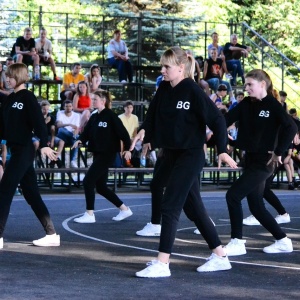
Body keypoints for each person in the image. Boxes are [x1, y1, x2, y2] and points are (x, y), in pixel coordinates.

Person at [130, 46, 237, 277]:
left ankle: (163, 263)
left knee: (169, 205)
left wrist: (221, 150)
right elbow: (152, 115)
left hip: (190, 154)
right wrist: (143, 132)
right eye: (162, 66)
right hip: (171, 153)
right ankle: (220, 255)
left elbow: (217, 119)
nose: (162, 70)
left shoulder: (193, 90)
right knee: (194, 209)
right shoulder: (164, 88)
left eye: (166, 67)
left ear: (181, 67)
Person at [224, 69, 297, 256]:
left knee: (233, 196)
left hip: (265, 161)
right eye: (246, 84)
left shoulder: (273, 105)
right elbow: (225, 120)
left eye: (250, 85)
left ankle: (237, 241)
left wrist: (279, 151)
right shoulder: (246, 104)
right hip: (250, 159)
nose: (246, 88)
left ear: (262, 84)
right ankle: (283, 240)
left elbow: (291, 127)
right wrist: (221, 135)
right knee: (256, 206)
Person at [0, 63, 60, 249]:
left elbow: (39, 123)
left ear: (20, 76)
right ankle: (51, 234)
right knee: (31, 194)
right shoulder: (10, 99)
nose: (7, 79)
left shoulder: (27, 97)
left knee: (5, 190)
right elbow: (3, 126)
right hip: (14, 150)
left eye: (11, 76)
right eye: (6, 76)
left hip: (25, 150)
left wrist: (43, 145)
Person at [72, 89, 133, 223]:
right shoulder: (94, 116)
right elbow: (86, 132)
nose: (93, 101)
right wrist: (80, 139)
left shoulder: (111, 116)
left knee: (88, 181)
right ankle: (124, 209)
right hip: (97, 154)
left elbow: (124, 134)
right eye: (92, 99)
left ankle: (89, 214)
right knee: (101, 187)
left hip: (108, 154)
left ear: (103, 101)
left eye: (95, 99)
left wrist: (128, 149)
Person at [56, 100, 81, 168]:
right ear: (64, 107)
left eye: (70, 106)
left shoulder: (76, 115)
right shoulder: (60, 113)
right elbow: (58, 125)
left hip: (71, 136)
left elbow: (76, 128)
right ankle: (75, 138)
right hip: (62, 135)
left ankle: (72, 161)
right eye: (66, 106)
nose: (68, 108)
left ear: (72, 107)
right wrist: (69, 124)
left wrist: (75, 135)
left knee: (75, 139)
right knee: (62, 130)